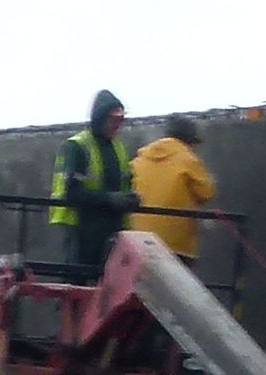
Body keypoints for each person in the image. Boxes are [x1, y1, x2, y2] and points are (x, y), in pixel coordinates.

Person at [44, 91, 132, 279]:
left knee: (109, 285)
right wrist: (109, 198)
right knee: (77, 284)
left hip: (111, 228)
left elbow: (124, 183)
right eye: (113, 119)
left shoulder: (117, 147)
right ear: (100, 118)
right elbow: (72, 193)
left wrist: (131, 198)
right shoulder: (76, 147)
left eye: (121, 120)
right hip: (81, 228)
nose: (118, 125)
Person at [127, 114, 215, 262]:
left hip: (138, 240)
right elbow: (206, 193)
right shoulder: (188, 160)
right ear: (188, 141)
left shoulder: (139, 159)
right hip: (175, 245)